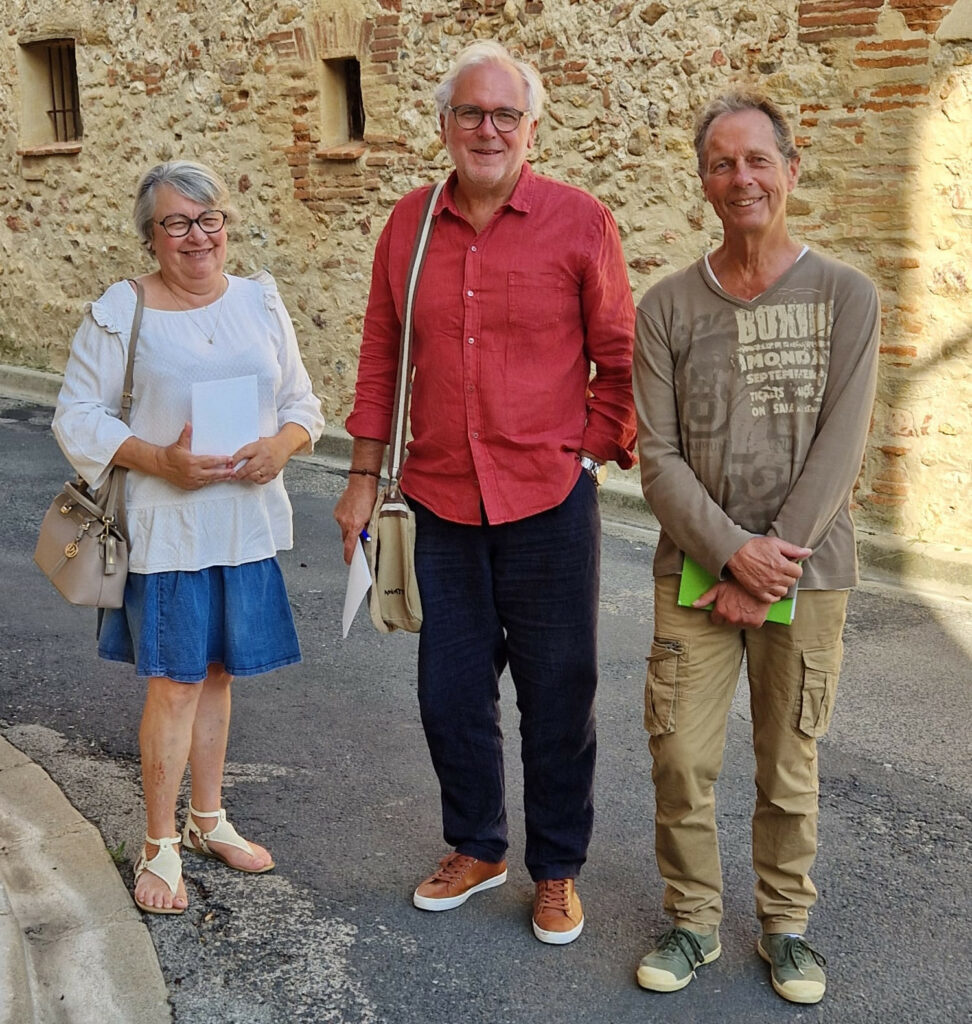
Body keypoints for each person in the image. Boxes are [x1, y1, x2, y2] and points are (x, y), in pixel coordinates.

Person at [334, 40, 636, 944]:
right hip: (438, 500)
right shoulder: (409, 224)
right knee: (450, 691)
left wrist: (588, 456)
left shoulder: (580, 221)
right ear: (444, 125)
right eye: (470, 112)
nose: (488, 129)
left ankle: (557, 868)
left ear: (532, 127)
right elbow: (382, 356)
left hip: (550, 501)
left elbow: (620, 361)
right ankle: (477, 846)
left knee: (559, 693)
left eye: (506, 114)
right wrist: (360, 479)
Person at [631, 90, 880, 1003]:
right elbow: (656, 457)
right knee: (680, 757)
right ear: (704, 182)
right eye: (722, 164)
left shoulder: (846, 295)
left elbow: (843, 443)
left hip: (807, 573)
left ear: (791, 171)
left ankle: (786, 927)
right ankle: (693, 920)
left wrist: (767, 564)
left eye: (757, 160)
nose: (742, 179)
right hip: (695, 573)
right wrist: (732, 554)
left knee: (788, 761)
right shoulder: (666, 305)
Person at [52, 160, 325, 914]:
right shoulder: (123, 309)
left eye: (209, 220)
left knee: (219, 677)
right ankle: (159, 844)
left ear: (226, 225)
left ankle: (207, 821)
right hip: (168, 531)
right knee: (175, 684)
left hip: (245, 525)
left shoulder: (260, 301)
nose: (197, 236)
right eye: (177, 222)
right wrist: (159, 459)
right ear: (152, 236)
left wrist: (283, 445)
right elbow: (76, 415)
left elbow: (302, 402)